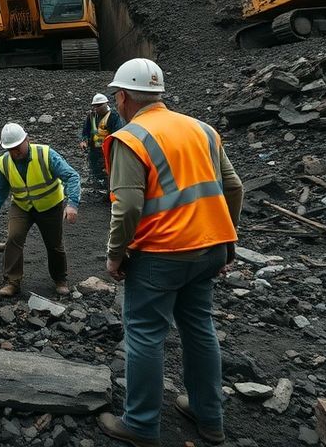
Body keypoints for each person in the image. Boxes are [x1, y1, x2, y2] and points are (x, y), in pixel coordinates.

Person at [97, 58, 243, 447]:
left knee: (144, 334)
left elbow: (127, 207)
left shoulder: (130, 138)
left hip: (162, 253)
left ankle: (142, 425)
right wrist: (227, 241)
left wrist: (115, 255)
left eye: (116, 97)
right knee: (199, 328)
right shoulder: (203, 129)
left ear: (124, 97)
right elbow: (234, 187)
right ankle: (209, 417)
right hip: (210, 248)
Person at [0, 122, 82, 298]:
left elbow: (72, 176)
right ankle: (11, 282)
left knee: (54, 244)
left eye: (17, 147)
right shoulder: (2, 163)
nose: (14, 152)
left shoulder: (45, 154)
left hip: (50, 206)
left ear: (27, 139)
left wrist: (72, 204)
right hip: (22, 206)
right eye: (10, 149)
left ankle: (60, 280)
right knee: (13, 238)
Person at [79, 92, 124, 189]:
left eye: (99, 106)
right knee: (94, 167)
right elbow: (85, 130)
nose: (96, 108)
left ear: (106, 104)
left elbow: (116, 133)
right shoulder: (91, 116)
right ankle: (98, 185)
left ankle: (108, 187)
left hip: (107, 149)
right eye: (94, 106)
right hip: (94, 148)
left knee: (107, 169)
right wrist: (84, 140)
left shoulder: (113, 116)